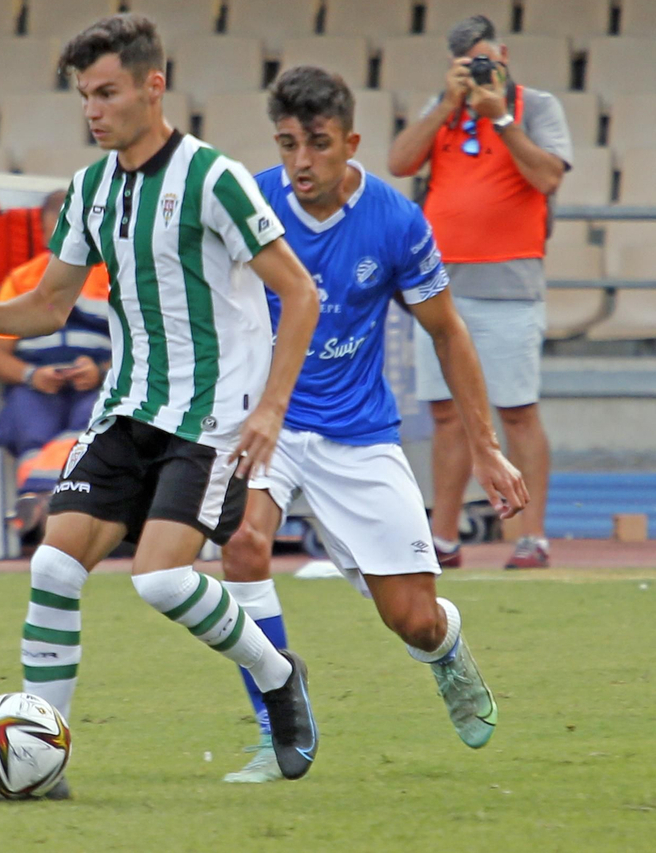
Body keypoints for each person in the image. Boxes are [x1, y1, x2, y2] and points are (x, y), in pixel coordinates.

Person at [0, 14, 324, 798]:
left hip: (211, 418)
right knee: (53, 564)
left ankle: (278, 679)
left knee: (162, 582)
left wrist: (271, 409)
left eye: (107, 93)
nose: (93, 110)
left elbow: (301, 294)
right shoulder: (91, 191)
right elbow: (46, 307)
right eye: (84, 96)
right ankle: (43, 768)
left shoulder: (214, 178)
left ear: (152, 85)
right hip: (127, 408)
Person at [217, 66, 529, 783]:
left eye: (318, 144)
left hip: (357, 434)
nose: (301, 162)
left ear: (350, 142)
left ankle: (446, 650)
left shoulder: (394, 221)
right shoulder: (251, 202)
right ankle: (279, 725)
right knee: (242, 545)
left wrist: (485, 447)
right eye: (288, 143)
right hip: (267, 422)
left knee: (413, 618)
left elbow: (449, 332)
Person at [388, 14, 570, 569]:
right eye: (468, 65)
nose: (481, 72)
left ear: (505, 54)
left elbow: (548, 177)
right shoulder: (443, 106)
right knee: (446, 415)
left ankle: (531, 536)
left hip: (510, 283)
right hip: (440, 284)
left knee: (517, 412)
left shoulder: (535, 106)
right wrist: (447, 105)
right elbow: (399, 162)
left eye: (487, 60)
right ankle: (443, 537)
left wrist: (503, 120)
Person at [0, 189, 113, 538]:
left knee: (92, 422)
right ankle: (52, 506)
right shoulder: (21, 281)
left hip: (99, 385)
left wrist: (100, 371)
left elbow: (144, 350)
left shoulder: (115, 277)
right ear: (43, 231)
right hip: (34, 389)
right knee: (31, 427)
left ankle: (41, 503)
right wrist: (32, 375)